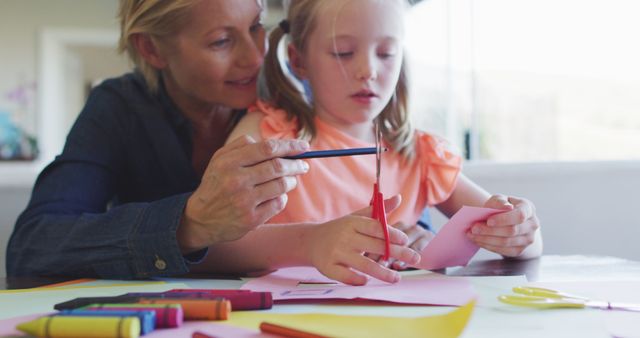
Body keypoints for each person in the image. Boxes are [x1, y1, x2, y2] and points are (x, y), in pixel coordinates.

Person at [6, 0, 419, 284]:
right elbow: (33, 247)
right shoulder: (119, 108)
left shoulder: (291, 102)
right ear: (151, 48)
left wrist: (409, 230)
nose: (255, 57)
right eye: (221, 41)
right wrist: (189, 224)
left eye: (256, 27)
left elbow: (364, 188)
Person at [221, 0, 543, 272]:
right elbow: (218, 246)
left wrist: (519, 232)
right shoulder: (267, 137)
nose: (368, 70)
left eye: (387, 53)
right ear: (298, 60)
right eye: (343, 52)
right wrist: (313, 242)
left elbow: (523, 239)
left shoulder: (420, 154)